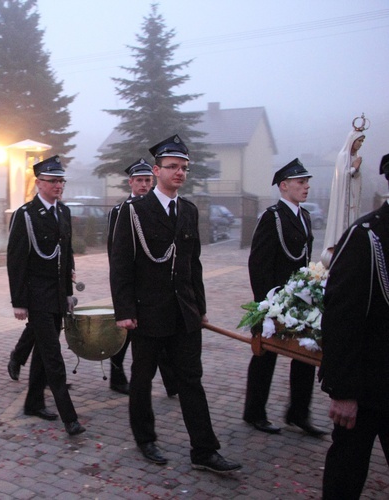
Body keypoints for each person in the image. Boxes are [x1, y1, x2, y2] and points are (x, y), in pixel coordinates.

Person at [110, 135, 240, 473]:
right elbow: (121, 264)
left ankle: (204, 450)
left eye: (184, 167)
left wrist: (200, 305)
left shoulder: (189, 210)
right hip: (147, 311)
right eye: (172, 167)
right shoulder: (134, 211)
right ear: (156, 171)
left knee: (191, 380)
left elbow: (192, 263)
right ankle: (145, 438)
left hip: (184, 312)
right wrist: (124, 312)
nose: (179, 172)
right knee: (142, 378)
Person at [319, 154, 389, 500]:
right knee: (346, 474)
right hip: (367, 389)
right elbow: (340, 318)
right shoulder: (366, 237)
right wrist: (342, 391)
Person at [243, 159, 326, 437]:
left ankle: (299, 413)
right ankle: (254, 412)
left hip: (301, 300)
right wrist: (266, 304)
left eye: (306, 182)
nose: (306, 187)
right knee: (265, 354)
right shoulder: (273, 217)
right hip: (275, 299)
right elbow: (258, 262)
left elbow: (304, 259)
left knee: (305, 353)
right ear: (284, 185)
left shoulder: (304, 216)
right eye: (301, 182)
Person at [7, 155, 85, 436]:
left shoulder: (63, 212)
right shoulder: (25, 215)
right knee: (53, 356)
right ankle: (70, 417)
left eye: (61, 180)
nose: (58, 185)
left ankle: (33, 403)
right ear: (38, 183)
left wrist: (67, 293)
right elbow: (15, 261)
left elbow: (66, 255)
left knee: (41, 351)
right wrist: (18, 301)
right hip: (36, 295)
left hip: (55, 296)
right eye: (52, 181)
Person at [106, 158, 177, 397]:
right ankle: (117, 376)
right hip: (131, 285)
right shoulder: (120, 211)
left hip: (154, 285)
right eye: (140, 180)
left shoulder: (157, 207)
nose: (144, 185)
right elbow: (115, 251)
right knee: (125, 337)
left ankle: (171, 382)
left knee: (162, 337)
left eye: (148, 180)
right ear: (131, 183)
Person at [321, 117, 368, 267]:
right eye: (358, 141)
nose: (360, 144)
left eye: (362, 141)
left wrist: (356, 169)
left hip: (352, 202)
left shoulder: (355, 157)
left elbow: (355, 178)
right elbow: (342, 177)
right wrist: (354, 168)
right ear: (351, 140)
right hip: (343, 202)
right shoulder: (342, 156)